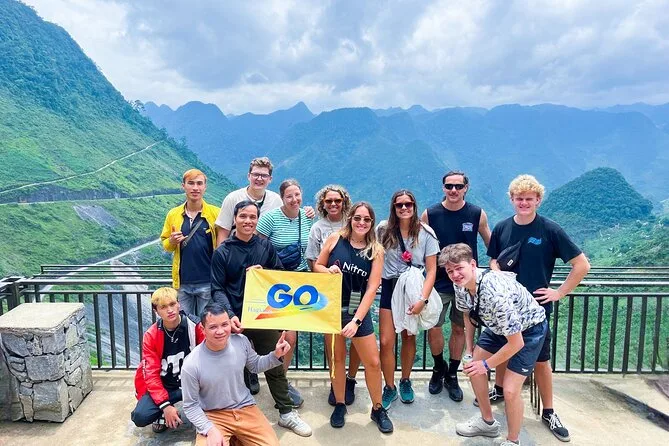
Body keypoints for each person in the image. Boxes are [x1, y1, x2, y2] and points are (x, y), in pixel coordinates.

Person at [487, 174, 590, 442]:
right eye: (519, 199)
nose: (523, 203)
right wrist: (497, 273)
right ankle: (499, 389)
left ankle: (549, 411)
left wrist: (559, 292)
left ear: (538, 200)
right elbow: (493, 260)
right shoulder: (502, 227)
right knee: (504, 349)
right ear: (512, 199)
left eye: (528, 199)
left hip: (536, 310)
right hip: (505, 306)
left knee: (542, 361)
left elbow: (582, 265)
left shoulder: (550, 229)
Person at [210, 200, 312, 437]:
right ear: (235, 219)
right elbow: (217, 289)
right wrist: (230, 316)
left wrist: (264, 273)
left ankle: (286, 412)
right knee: (229, 368)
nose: (248, 221)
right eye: (243, 216)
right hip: (235, 318)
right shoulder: (223, 252)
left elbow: (280, 277)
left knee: (274, 359)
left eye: (252, 217)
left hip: (261, 316)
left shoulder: (265, 246)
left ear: (257, 220)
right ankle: (230, 415)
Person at [441, 243, 548, 446]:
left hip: (529, 330)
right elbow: (468, 314)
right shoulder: (461, 285)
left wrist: (486, 364)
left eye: (459, 268)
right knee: (474, 368)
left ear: (473, 264)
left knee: (510, 390)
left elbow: (516, 343)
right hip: (498, 327)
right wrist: (470, 350)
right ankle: (487, 422)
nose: (455, 274)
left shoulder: (494, 293)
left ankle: (513, 441)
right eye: (450, 271)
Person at [314, 202, 394, 433]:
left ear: (371, 222)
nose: (361, 222)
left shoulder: (375, 250)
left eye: (366, 219)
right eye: (357, 218)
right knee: (337, 360)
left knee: (373, 362)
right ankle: (340, 404)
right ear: (350, 218)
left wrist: (356, 321)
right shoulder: (335, 239)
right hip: (331, 308)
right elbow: (317, 266)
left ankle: (377, 408)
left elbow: (372, 287)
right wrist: (327, 270)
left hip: (357, 310)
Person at [420, 170, 491, 401]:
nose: (453, 190)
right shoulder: (430, 214)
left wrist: (498, 269)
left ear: (465, 188)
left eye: (458, 186)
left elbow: (491, 243)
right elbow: (418, 244)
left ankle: (452, 373)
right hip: (438, 282)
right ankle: (438, 367)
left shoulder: (476, 214)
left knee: (460, 329)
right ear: (443, 188)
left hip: (466, 285)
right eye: (449, 186)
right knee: (434, 326)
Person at [181, 303, 292, 446]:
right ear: (203, 329)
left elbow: (255, 365)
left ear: (230, 323)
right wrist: (209, 429)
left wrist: (275, 355)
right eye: (213, 327)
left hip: (245, 408)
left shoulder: (241, 342)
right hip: (213, 415)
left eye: (224, 324)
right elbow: (190, 405)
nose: (220, 331)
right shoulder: (191, 364)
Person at [377, 190, 439, 409]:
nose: (404, 208)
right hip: (389, 285)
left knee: (409, 336)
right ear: (393, 208)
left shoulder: (426, 233)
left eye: (408, 204)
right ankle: (389, 386)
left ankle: (405, 380)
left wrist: (423, 299)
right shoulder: (383, 230)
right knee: (386, 341)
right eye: (399, 205)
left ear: (414, 206)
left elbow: (432, 270)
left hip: (413, 289)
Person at [256, 178, 314, 407]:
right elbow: (258, 246)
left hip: (299, 281)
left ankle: (282, 379)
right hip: (274, 282)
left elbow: (311, 248)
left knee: (290, 336)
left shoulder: (306, 217)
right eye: (289, 196)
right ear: (282, 197)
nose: (294, 199)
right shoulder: (270, 219)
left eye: (297, 195)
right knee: (272, 336)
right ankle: (268, 377)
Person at [305, 185, 360, 407]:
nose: (333, 204)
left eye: (338, 200)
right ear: (323, 204)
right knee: (332, 340)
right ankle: (336, 381)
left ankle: (351, 379)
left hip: (355, 289)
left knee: (357, 336)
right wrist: (325, 272)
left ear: (344, 202)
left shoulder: (354, 223)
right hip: (328, 292)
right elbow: (312, 260)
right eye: (329, 201)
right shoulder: (318, 228)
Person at [131, 287, 205, 433]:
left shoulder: (195, 326)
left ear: (179, 304)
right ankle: (162, 415)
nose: (170, 310)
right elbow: (151, 374)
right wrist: (165, 406)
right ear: (156, 311)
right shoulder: (151, 335)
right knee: (140, 416)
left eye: (172, 304)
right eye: (163, 307)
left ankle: (202, 409)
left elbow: (208, 359)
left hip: (192, 382)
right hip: (166, 385)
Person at [160, 169, 219, 318]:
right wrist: (172, 241)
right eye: (191, 183)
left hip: (208, 281)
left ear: (205, 187)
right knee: (185, 324)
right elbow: (166, 245)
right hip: (182, 283)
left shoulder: (215, 214)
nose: (195, 188)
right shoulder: (173, 214)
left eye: (199, 183)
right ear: (183, 186)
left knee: (206, 323)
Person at [214, 157, 283, 246]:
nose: (259, 178)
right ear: (248, 176)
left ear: (270, 179)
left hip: (264, 252)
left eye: (264, 175)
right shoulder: (233, 198)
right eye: (255, 174)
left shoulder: (276, 201)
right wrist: (221, 253)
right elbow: (223, 233)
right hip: (235, 250)